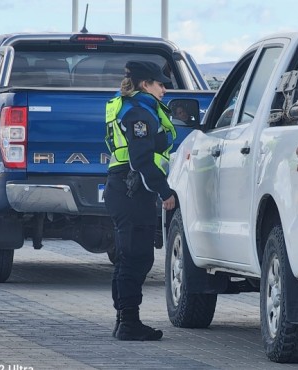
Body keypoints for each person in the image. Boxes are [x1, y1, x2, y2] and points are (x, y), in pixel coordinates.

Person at [103, 60, 176, 341]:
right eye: (160, 84)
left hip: (123, 188)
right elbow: (141, 158)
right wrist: (164, 191)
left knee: (127, 257)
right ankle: (128, 323)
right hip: (132, 189)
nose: (164, 89)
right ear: (145, 85)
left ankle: (124, 318)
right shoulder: (139, 112)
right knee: (136, 257)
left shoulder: (132, 107)